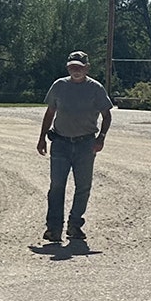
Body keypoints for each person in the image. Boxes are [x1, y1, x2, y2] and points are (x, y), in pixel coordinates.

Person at [37, 51, 114, 244]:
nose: (76, 70)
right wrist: (41, 138)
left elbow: (107, 114)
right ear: (67, 67)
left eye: (79, 67)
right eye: (72, 67)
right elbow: (50, 113)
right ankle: (54, 228)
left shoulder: (95, 88)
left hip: (86, 144)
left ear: (87, 68)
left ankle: (75, 224)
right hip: (61, 143)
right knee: (56, 187)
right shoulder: (59, 86)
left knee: (83, 187)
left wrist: (101, 138)